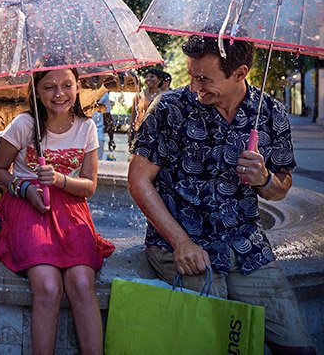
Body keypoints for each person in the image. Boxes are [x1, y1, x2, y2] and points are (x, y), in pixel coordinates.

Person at [128, 35, 314, 353]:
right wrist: (180, 241)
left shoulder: (271, 113)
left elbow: (282, 187)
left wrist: (264, 178)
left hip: (246, 248)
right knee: (212, 344)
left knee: (297, 348)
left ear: (240, 73)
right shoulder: (170, 109)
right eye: (191, 75)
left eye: (204, 79)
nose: (195, 86)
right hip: (181, 245)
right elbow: (138, 180)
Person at [0, 68, 114, 355]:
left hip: (70, 207)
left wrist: (61, 179)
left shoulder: (86, 127)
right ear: (36, 91)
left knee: (82, 282)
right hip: (28, 206)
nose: (59, 94)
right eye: (49, 87)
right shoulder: (24, 124)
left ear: (78, 86)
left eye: (66, 85)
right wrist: (23, 188)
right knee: (47, 286)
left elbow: (89, 186)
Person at [128, 68, 163, 142]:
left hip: (158, 134)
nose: (148, 79)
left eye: (152, 76)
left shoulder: (163, 96)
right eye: (146, 77)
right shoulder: (139, 96)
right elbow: (133, 116)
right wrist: (130, 135)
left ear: (159, 80)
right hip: (140, 133)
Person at [91, 92, 112, 161]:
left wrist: (111, 138)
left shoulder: (104, 94)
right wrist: (111, 138)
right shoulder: (104, 94)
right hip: (97, 135)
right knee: (96, 164)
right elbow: (108, 117)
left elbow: (107, 116)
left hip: (96, 135)